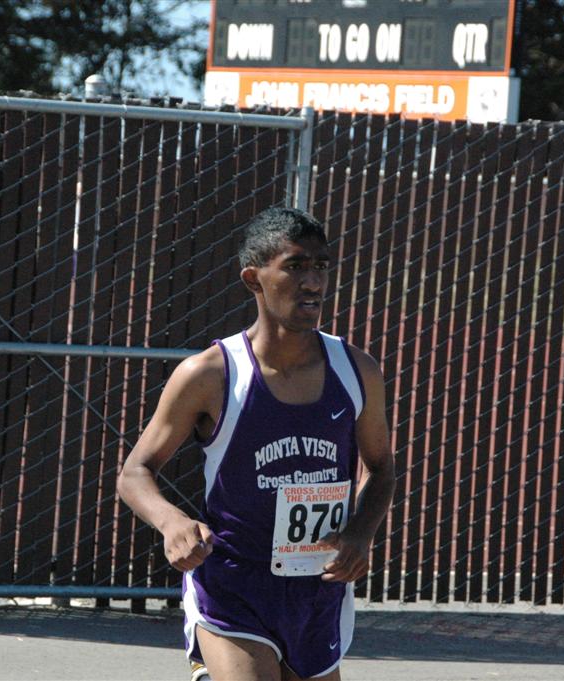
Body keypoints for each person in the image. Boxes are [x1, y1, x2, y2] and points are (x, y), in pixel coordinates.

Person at [117, 207, 396, 681]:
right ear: (254, 279)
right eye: (295, 266)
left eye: (321, 266)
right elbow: (135, 472)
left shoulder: (356, 370)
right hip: (233, 582)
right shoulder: (211, 374)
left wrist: (360, 533)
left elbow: (381, 468)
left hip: (316, 586)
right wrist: (171, 522)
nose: (313, 282)